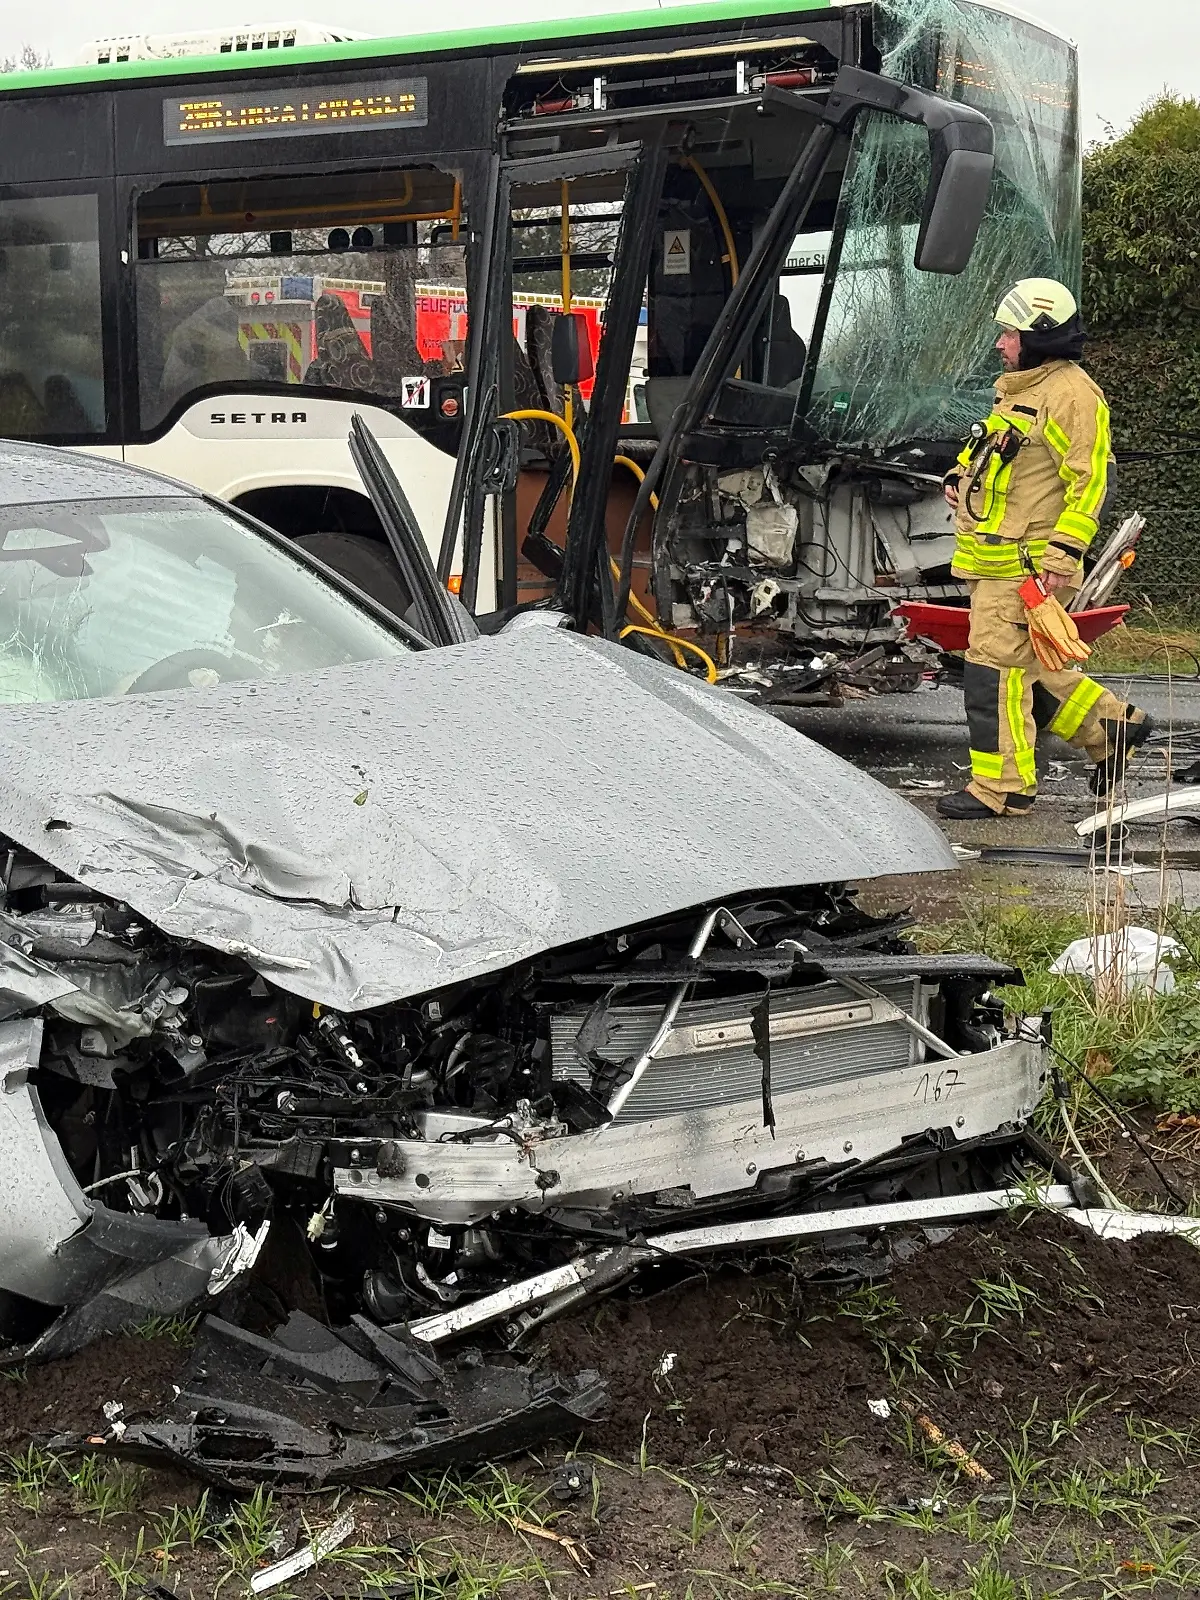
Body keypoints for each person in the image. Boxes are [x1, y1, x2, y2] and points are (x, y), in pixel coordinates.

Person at [936, 277, 1151, 821]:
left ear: (1038, 338)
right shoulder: (1020, 392)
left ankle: (1002, 789)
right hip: (1001, 563)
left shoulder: (1071, 394)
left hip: (1029, 566)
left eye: (1009, 334)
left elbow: (1090, 482)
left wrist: (1063, 555)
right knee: (1035, 674)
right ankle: (1112, 728)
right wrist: (960, 478)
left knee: (993, 674)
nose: (1001, 344)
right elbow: (1003, 463)